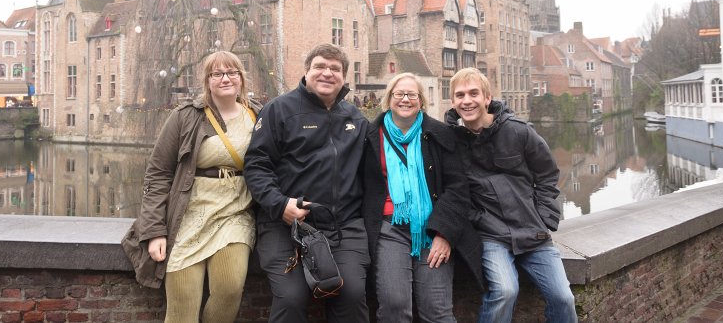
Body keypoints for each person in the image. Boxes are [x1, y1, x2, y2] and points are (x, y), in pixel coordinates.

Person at [124, 51, 260, 323]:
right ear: (207, 81)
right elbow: (158, 174)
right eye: (217, 74)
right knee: (182, 308)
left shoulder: (258, 114)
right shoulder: (186, 116)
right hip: (188, 215)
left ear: (242, 78)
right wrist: (154, 232)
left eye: (232, 72)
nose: (225, 78)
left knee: (229, 290)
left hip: (235, 214)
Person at [244, 43, 370, 323]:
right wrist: (280, 206)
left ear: (344, 77)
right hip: (287, 226)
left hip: (343, 225)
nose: (327, 73)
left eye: (335, 69)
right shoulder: (279, 110)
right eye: (320, 67)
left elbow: (370, 175)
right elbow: (256, 165)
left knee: (351, 294)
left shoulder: (356, 119)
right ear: (306, 71)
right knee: (291, 298)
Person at [445, 68, 577, 323]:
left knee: (564, 298)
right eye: (460, 95)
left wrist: (545, 217)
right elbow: (452, 191)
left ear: (487, 98)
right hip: (491, 235)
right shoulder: (451, 142)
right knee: (505, 291)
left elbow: (548, 174)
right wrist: (478, 219)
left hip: (533, 232)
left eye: (473, 93)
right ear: (453, 102)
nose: (467, 100)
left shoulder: (518, 131)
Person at [363, 72, 482, 323]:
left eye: (412, 94)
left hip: (432, 228)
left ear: (421, 101)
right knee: (394, 307)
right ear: (389, 99)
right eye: (399, 94)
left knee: (436, 310)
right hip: (389, 228)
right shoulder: (370, 137)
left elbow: (458, 188)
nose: (405, 99)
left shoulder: (439, 134)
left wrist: (445, 233)